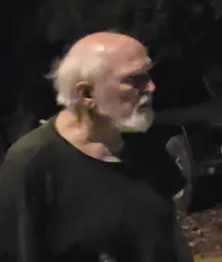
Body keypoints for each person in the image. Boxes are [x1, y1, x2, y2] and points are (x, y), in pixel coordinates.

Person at [0, 31, 192, 261]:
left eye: (149, 74)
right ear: (86, 94)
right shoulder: (31, 164)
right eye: (134, 79)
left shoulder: (143, 143)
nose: (151, 86)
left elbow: (171, 236)